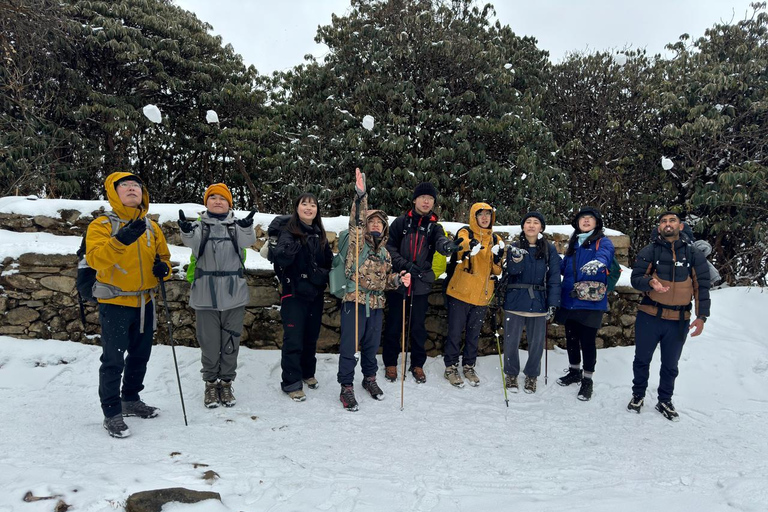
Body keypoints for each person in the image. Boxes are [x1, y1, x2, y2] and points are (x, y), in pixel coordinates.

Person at [85, 171, 172, 438]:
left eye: (136, 185)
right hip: (115, 300)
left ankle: (130, 399)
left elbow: (165, 260)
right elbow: (96, 260)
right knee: (113, 359)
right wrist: (121, 240)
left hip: (145, 301)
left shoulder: (151, 226)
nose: (132, 189)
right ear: (114, 192)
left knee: (140, 355)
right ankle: (112, 412)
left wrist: (163, 269)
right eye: (125, 186)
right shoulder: (102, 225)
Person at [337, 168, 411, 410]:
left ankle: (369, 379)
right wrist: (360, 196)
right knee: (350, 347)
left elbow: (386, 280)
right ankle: (346, 386)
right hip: (354, 301)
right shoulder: (357, 245)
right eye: (372, 221)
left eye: (380, 221)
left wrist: (398, 281)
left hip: (376, 305)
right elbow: (356, 221)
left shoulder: (385, 253)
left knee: (370, 347)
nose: (376, 224)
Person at [178, 183, 256, 409]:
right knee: (209, 342)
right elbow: (190, 242)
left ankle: (226, 382)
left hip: (233, 294)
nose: (218, 201)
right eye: (213, 197)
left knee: (231, 341)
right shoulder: (199, 227)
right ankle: (211, 384)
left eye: (223, 198)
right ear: (206, 202)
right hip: (205, 294)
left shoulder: (236, 227)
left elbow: (247, 242)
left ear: (229, 203)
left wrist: (246, 227)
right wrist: (185, 229)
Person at [628, 211, 711, 421]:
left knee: (670, 365)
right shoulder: (650, 251)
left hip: (678, 320)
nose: (668, 224)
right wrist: (650, 283)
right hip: (650, 315)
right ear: (659, 227)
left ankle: (665, 400)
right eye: (663, 221)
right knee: (642, 359)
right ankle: (637, 395)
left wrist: (702, 317)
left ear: (680, 226)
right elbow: (636, 278)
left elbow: (702, 286)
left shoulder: (693, 254)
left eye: (672, 220)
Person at [382, 182, 461, 383]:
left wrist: (448, 247)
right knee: (393, 325)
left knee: (418, 327)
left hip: (421, 285)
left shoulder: (434, 227)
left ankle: (417, 364)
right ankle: (390, 362)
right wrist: (405, 265)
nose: (426, 201)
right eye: (423, 197)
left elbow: (440, 243)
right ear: (415, 200)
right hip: (399, 282)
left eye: (430, 198)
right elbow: (390, 248)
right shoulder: (400, 223)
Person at [273, 191, 333, 402]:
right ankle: (291, 382)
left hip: (314, 293)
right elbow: (281, 256)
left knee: (311, 336)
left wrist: (321, 275)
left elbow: (329, 262)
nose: (309, 208)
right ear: (297, 208)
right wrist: (290, 251)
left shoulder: (319, 233)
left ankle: (307, 372)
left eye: (313, 205)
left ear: (317, 211)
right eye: (304, 204)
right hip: (294, 293)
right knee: (294, 338)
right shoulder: (288, 232)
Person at [555, 207, 615, 401]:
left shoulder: (602, 242)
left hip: (590, 301)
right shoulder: (574, 244)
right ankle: (574, 371)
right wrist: (552, 259)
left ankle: (587, 380)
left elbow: (606, 255)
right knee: (571, 338)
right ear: (578, 223)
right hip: (570, 298)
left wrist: (599, 263)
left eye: (590, 218)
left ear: (597, 222)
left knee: (587, 342)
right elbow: (564, 267)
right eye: (583, 218)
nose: (586, 221)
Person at [442, 203, 503, 387]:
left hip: (482, 295)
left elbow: (496, 270)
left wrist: (499, 258)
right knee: (454, 332)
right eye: (481, 215)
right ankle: (450, 367)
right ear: (473, 217)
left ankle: (469, 365)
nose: (485, 218)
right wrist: (471, 245)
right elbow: (461, 246)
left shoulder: (495, 238)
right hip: (461, 292)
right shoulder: (465, 232)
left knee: (473, 334)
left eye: (488, 215)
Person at [502, 212, 562, 394]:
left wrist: (553, 303)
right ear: (523, 226)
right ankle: (511, 374)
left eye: (536, 223)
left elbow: (553, 277)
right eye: (528, 222)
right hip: (515, 300)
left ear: (541, 228)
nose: (531, 225)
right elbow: (511, 271)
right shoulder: (515, 246)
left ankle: (531, 375)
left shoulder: (549, 249)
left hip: (539, 301)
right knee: (511, 341)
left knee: (536, 343)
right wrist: (517, 259)